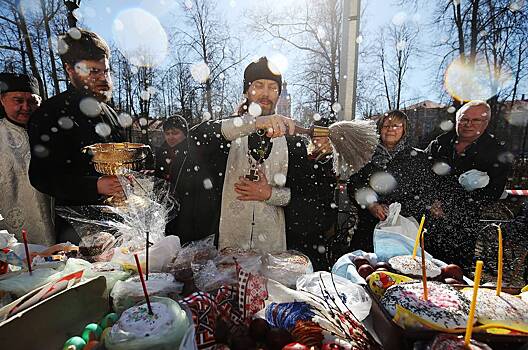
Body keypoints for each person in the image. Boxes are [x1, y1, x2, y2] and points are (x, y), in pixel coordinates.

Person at [167, 57, 337, 269]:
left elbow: (313, 204)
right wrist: (252, 123)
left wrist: (271, 194)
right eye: (258, 86)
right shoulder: (225, 134)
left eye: (272, 87)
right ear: (247, 91)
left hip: (275, 261)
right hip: (224, 261)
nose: (266, 93)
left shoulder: (294, 144)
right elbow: (195, 140)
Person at [28, 29, 125, 243]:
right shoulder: (49, 113)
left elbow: (119, 162)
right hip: (76, 228)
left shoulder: (111, 114)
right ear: (70, 70)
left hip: (119, 220)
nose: (102, 78)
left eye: (105, 71)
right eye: (93, 71)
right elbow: (41, 177)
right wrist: (96, 185)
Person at [424, 100, 512, 271]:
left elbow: (494, 191)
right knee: (423, 269)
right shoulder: (439, 144)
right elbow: (421, 175)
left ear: (485, 123)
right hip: (430, 221)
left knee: (454, 273)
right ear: (457, 120)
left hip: (463, 226)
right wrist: (430, 201)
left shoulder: (497, 152)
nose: (468, 124)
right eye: (464, 119)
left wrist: (451, 206)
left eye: (476, 120)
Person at [347, 110, 437, 252]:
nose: (390, 129)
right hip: (369, 230)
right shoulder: (366, 155)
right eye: (386, 126)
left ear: (404, 130)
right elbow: (354, 185)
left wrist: (397, 210)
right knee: (365, 268)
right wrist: (372, 205)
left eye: (396, 125)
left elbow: (427, 190)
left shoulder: (417, 158)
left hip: (404, 230)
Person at [0, 73, 54, 245]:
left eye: (32, 101)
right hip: (13, 231)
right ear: (2, 100)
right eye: (18, 100)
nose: (26, 107)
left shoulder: (52, 131)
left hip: (58, 224)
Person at [154, 115, 188, 182]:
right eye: (167, 133)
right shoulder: (161, 152)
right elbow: (158, 177)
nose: (170, 137)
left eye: (175, 133)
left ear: (185, 134)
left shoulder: (192, 152)